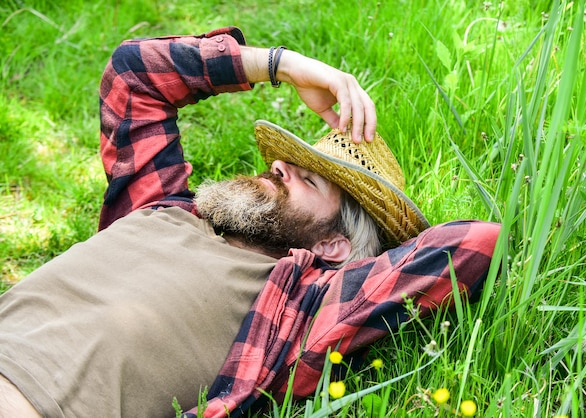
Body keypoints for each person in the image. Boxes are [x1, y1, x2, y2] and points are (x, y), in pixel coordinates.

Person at [0, 26, 500, 417]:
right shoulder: (163, 207)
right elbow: (132, 76)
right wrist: (285, 66)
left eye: (309, 180)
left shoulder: (295, 306)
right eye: (286, 163)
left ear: (333, 245)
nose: (277, 166)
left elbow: (474, 243)